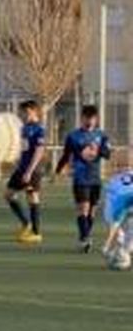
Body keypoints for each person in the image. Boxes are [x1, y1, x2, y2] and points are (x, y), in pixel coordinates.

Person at [55, 104, 112, 253]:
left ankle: (84, 236)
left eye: (92, 118)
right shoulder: (73, 136)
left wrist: (98, 149)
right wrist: (58, 170)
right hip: (80, 178)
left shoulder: (102, 135)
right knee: (83, 209)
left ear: (96, 119)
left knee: (92, 212)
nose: (90, 121)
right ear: (82, 118)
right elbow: (66, 155)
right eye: (87, 118)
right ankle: (86, 238)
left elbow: (107, 154)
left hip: (95, 179)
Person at [4, 99, 47, 244]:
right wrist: (18, 162)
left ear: (34, 111)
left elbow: (39, 151)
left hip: (32, 169)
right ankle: (26, 223)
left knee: (32, 196)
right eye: (22, 112)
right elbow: (25, 149)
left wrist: (29, 171)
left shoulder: (39, 129)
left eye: (26, 112)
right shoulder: (24, 128)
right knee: (8, 194)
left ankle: (36, 233)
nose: (23, 115)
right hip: (22, 168)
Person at [99, 169, 133, 270]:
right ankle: (119, 254)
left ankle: (122, 254)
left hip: (119, 188)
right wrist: (107, 244)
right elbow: (115, 224)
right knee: (118, 229)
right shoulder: (119, 201)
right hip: (112, 196)